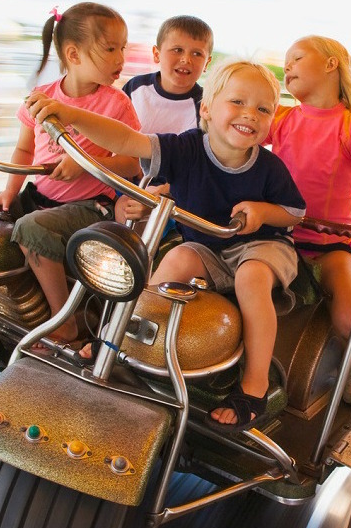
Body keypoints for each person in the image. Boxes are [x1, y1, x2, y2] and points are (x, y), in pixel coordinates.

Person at [25, 60, 305, 432]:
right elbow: (127, 140)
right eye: (237, 102)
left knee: (251, 277)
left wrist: (262, 211)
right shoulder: (186, 148)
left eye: (262, 108)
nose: (249, 114)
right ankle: (119, 342)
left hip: (261, 246)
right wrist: (71, 114)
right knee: (173, 260)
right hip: (208, 246)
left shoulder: (269, 168)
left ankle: (255, 383)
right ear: (206, 108)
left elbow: (294, 213)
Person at [0, 3, 144, 346]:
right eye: (111, 48)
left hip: (90, 205)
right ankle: (9, 295)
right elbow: (24, 151)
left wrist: (86, 163)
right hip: (39, 196)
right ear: (73, 53)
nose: (121, 58)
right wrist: (9, 191)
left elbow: (133, 162)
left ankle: (64, 321)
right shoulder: (42, 97)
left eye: (123, 48)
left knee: (32, 227)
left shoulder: (117, 104)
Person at [270, 36, 351, 406]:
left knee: (348, 321)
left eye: (297, 58)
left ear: (331, 64)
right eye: (285, 63)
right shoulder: (282, 117)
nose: (287, 67)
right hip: (278, 234)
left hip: (330, 244)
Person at [115, 15, 214, 224]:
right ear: (156, 53)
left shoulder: (205, 107)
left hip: (172, 190)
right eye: (177, 50)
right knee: (124, 209)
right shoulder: (135, 88)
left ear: (207, 63)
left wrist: (161, 193)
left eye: (197, 53)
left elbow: (197, 166)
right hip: (128, 181)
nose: (186, 59)